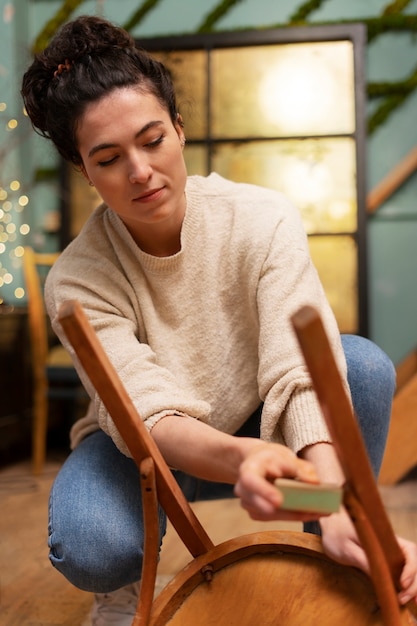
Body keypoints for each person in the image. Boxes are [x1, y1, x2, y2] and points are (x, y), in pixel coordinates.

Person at [21, 15, 417, 626]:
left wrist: (336, 506)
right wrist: (238, 461)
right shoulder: (78, 277)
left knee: (360, 365)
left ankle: (333, 537)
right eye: (109, 158)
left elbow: (299, 377)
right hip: (150, 450)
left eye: (152, 140)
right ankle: (123, 585)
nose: (140, 171)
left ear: (179, 129)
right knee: (91, 546)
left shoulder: (261, 219)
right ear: (85, 170)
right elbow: (145, 413)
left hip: (262, 428)